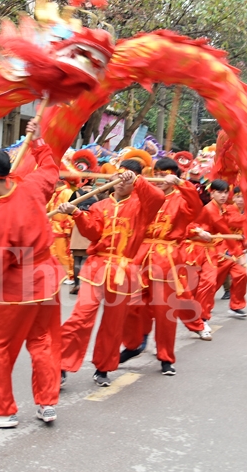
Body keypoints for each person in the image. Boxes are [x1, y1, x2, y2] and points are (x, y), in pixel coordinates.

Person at [0, 120, 63, 428]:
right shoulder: (30, 184)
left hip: (22, 286)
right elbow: (50, 170)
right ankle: (47, 402)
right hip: (48, 277)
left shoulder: (1, 215)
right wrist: (39, 142)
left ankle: (3, 410)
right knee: (42, 338)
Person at [57, 159, 164, 388]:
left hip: (124, 271)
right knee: (80, 317)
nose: (120, 181)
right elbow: (93, 233)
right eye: (118, 176)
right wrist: (76, 213)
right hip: (96, 267)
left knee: (113, 323)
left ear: (135, 180)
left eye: (126, 177)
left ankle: (103, 367)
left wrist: (137, 180)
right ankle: (61, 365)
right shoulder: (100, 206)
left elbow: (158, 197)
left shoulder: (143, 205)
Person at [121, 157, 203, 375]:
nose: (159, 178)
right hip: (139, 255)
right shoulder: (144, 195)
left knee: (165, 310)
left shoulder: (180, 199)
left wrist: (182, 184)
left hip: (166, 258)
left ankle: (166, 357)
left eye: (164, 175)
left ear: (173, 176)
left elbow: (196, 208)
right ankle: (134, 344)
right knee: (131, 303)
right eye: (156, 174)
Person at [187, 180, 247, 321]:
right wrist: (239, 253)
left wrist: (245, 237)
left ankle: (234, 306)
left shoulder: (225, 209)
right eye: (220, 192)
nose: (223, 196)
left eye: (226, 193)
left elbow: (236, 225)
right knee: (209, 283)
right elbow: (224, 229)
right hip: (204, 249)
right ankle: (200, 312)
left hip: (221, 248)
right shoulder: (210, 209)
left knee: (241, 274)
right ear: (212, 193)